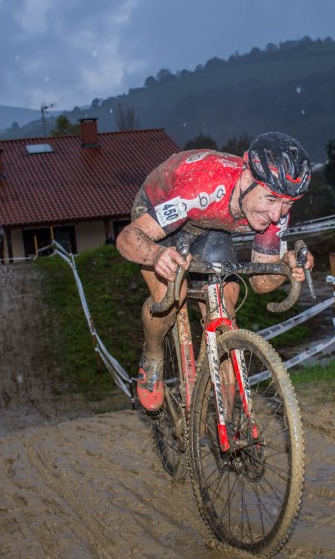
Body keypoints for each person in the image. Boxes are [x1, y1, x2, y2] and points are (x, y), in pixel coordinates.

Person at [116, 131, 314, 412]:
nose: (277, 215)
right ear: (247, 179)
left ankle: (225, 418)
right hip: (166, 209)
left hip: (209, 223)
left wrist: (285, 267)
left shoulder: (277, 206)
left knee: (224, 307)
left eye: (287, 204)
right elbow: (126, 238)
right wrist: (156, 254)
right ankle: (152, 354)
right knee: (172, 296)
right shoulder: (203, 186)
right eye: (270, 200)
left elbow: (260, 283)